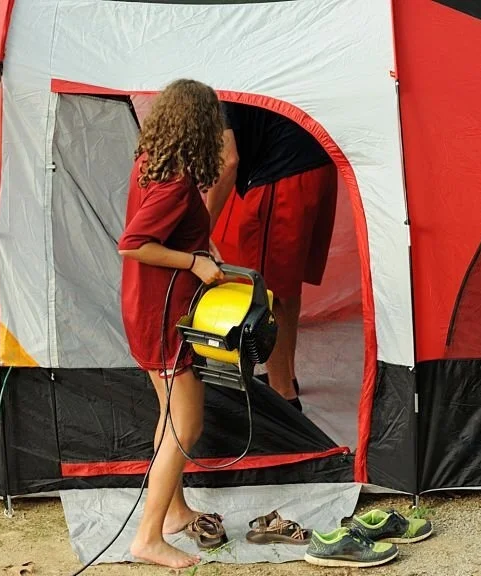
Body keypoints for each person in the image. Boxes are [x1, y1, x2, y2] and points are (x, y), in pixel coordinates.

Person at [117, 79, 227, 569]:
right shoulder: (177, 180)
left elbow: (169, 228)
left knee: (168, 414)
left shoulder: (152, 163)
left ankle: (175, 510)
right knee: (187, 422)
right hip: (164, 317)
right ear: (201, 127)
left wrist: (201, 247)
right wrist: (194, 263)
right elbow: (134, 243)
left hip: (145, 307)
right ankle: (147, 538)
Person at [205, 102, 337, 412]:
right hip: (317, 164)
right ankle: (287, 377)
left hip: (283, 177)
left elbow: (228, 161)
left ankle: (283, 399)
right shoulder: (251, 62)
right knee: (286, 285)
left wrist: (201, 228)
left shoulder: (220, 87)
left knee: (267, 291)